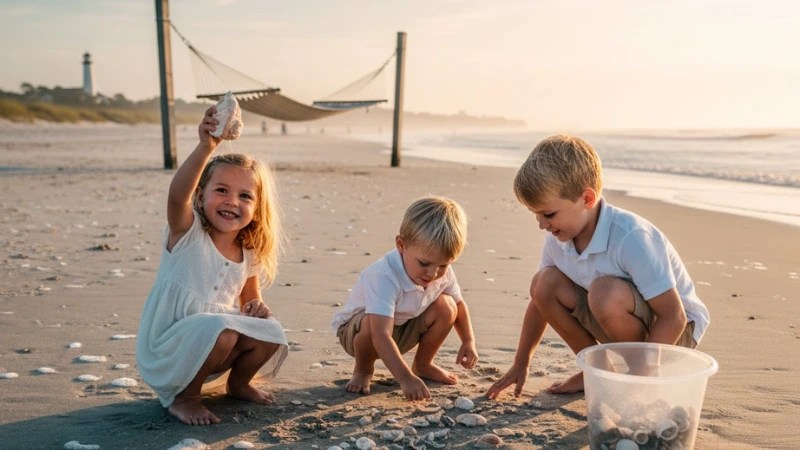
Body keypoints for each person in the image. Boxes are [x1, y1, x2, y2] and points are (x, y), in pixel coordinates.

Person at [486, 135, 710, 399]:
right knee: (544, 282)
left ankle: (639, 374)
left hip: (673, 337)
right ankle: (597, 368)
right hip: (619, 320)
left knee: (604, 292)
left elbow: (674, 317)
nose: (541, 225)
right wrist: (520, 362)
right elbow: (540, 301)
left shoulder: (631, 237)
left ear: (587, 199)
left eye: (548, 214)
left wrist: (643, 379)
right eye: (535, 214)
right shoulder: (558, 239)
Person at [136, 106, 288, 426]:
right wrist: (207, 146)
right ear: (201, 195)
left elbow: (250, 301)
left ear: (257, 209)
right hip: (168, 351)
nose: (232, 201)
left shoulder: (248, 253)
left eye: (245, 195)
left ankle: (238, 383)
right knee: (221, 331)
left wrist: (258, 308)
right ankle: (185, 397)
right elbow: (177, 196)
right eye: (222, 191)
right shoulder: (187, 232)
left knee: (272, 332)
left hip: (215, 344)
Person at [331, 196, 479, 401]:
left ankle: (423, 364)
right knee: (369, 322)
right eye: (424, 263)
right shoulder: (384, 276)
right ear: (401, 245)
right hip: (358, 334)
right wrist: (405, 378)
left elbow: (460, 305)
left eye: (443, 265)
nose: (433, 274)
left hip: (401, 327)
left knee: (448, 305)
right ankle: (363, 371)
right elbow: (381, 334)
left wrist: (468, 341)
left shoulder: (439, 272)